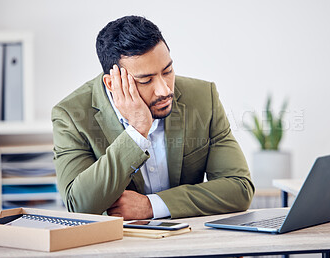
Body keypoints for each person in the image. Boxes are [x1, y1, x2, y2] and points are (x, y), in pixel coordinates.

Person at [52, 15, 254, 220]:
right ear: (113, 83)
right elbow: (78, 205)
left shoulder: (203, 98)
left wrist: (152, 206)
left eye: (167, 71)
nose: (163, 90)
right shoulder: (70, 116)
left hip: (190, 240)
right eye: (146, 80)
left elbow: (240, 188)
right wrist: (137, 132)